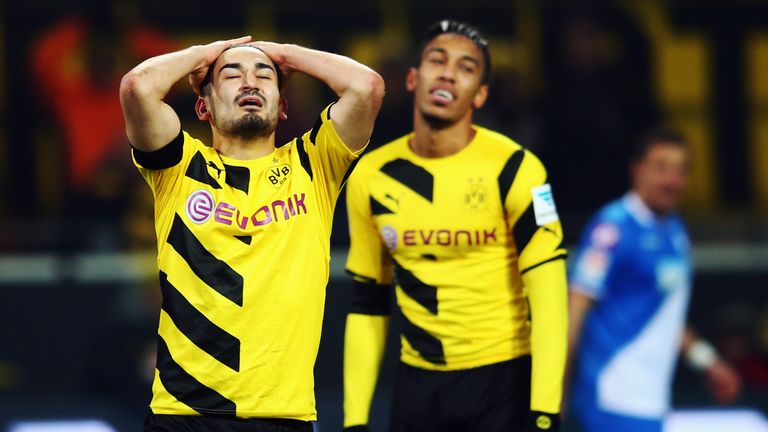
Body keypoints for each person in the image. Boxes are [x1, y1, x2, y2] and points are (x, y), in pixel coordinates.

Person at [119, 35, 384, 432]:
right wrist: (204, 55)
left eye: (264, 76)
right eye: (232, 75)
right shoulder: (178, 167)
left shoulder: (314, 165)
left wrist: (283, 54)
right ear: (202, 105)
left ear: (282, 108)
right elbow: (139, 87)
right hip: (183, 416)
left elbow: (367, 86)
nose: (250, 83)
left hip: (282, 415)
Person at [342, 20, 568, 432]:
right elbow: (367, 303)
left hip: (504, 383)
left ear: (480, 94)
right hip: (417, 389)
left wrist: (546, 411)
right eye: (437, 60)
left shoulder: (517, 168)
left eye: (466, 67)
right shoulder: (370, 176)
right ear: (413, 78)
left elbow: (550, 296)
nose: (448, 72)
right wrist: (355, 420)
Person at [567, 127, 742, 432]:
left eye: (681, 170)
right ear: (637, 170)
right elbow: (574, 310)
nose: (672, 180)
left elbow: (666, 317)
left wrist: (707, 361)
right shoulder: (613, 227)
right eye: (662, 168)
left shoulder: (675, 230)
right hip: (611, 399)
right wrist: (556, 391)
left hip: (653, 402)